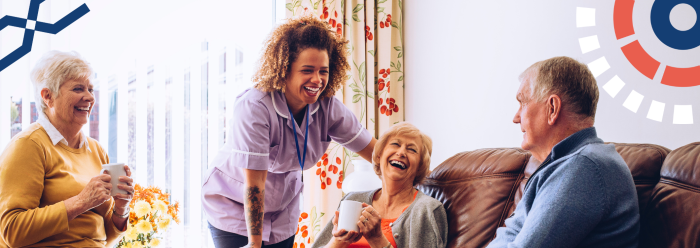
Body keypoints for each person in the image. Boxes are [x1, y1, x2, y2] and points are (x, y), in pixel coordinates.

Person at [202, 15, 377, 248]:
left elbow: (377, 154)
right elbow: (255, 185)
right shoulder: (255, 106)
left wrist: (414, 186)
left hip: (282, 211)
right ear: (285, 69)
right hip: (234, 206)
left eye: (323, 71)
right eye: (307, 70)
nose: (317, 80)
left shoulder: (328, 107)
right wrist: (254, 244)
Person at [487, 56, 639, 247]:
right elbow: (511, 233)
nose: (516, 118)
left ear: (552, 108)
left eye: (523, 102)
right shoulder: (570, 163)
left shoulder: (585, 166)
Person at [0, 51, 134, 247]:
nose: (89, 97)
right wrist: (81, 202)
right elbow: (12, 231)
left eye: (90, 89)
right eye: (78, 89)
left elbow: (107, 237)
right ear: (48, 96)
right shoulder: (29, 145)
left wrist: (121, 209)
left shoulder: (96, 150)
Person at [312, 122, 448, 248]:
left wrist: (377, 239)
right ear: (379, 156)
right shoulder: (352, 199)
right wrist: (338, 240)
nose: (401, 153)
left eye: (412, 150)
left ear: (420, 166)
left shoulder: (427, 210)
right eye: (395, 144)